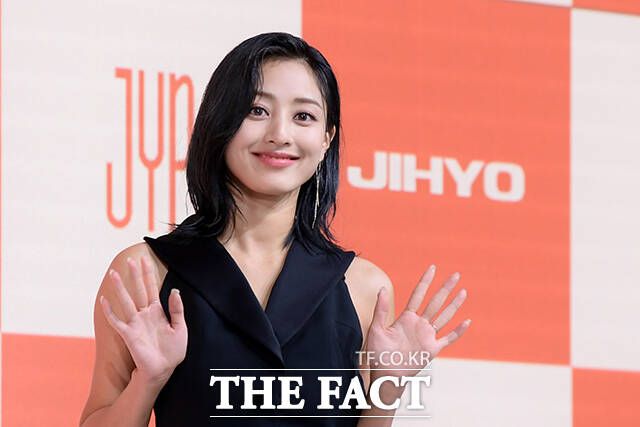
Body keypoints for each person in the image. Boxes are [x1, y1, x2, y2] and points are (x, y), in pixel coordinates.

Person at [79, 32, 470, 427]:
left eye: (304, 116)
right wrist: (147, 380)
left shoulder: (364, 289)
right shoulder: (147, 273)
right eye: (257, 110)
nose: (280, 134)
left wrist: (388, 392)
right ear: (220, 122)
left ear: (327, 138)